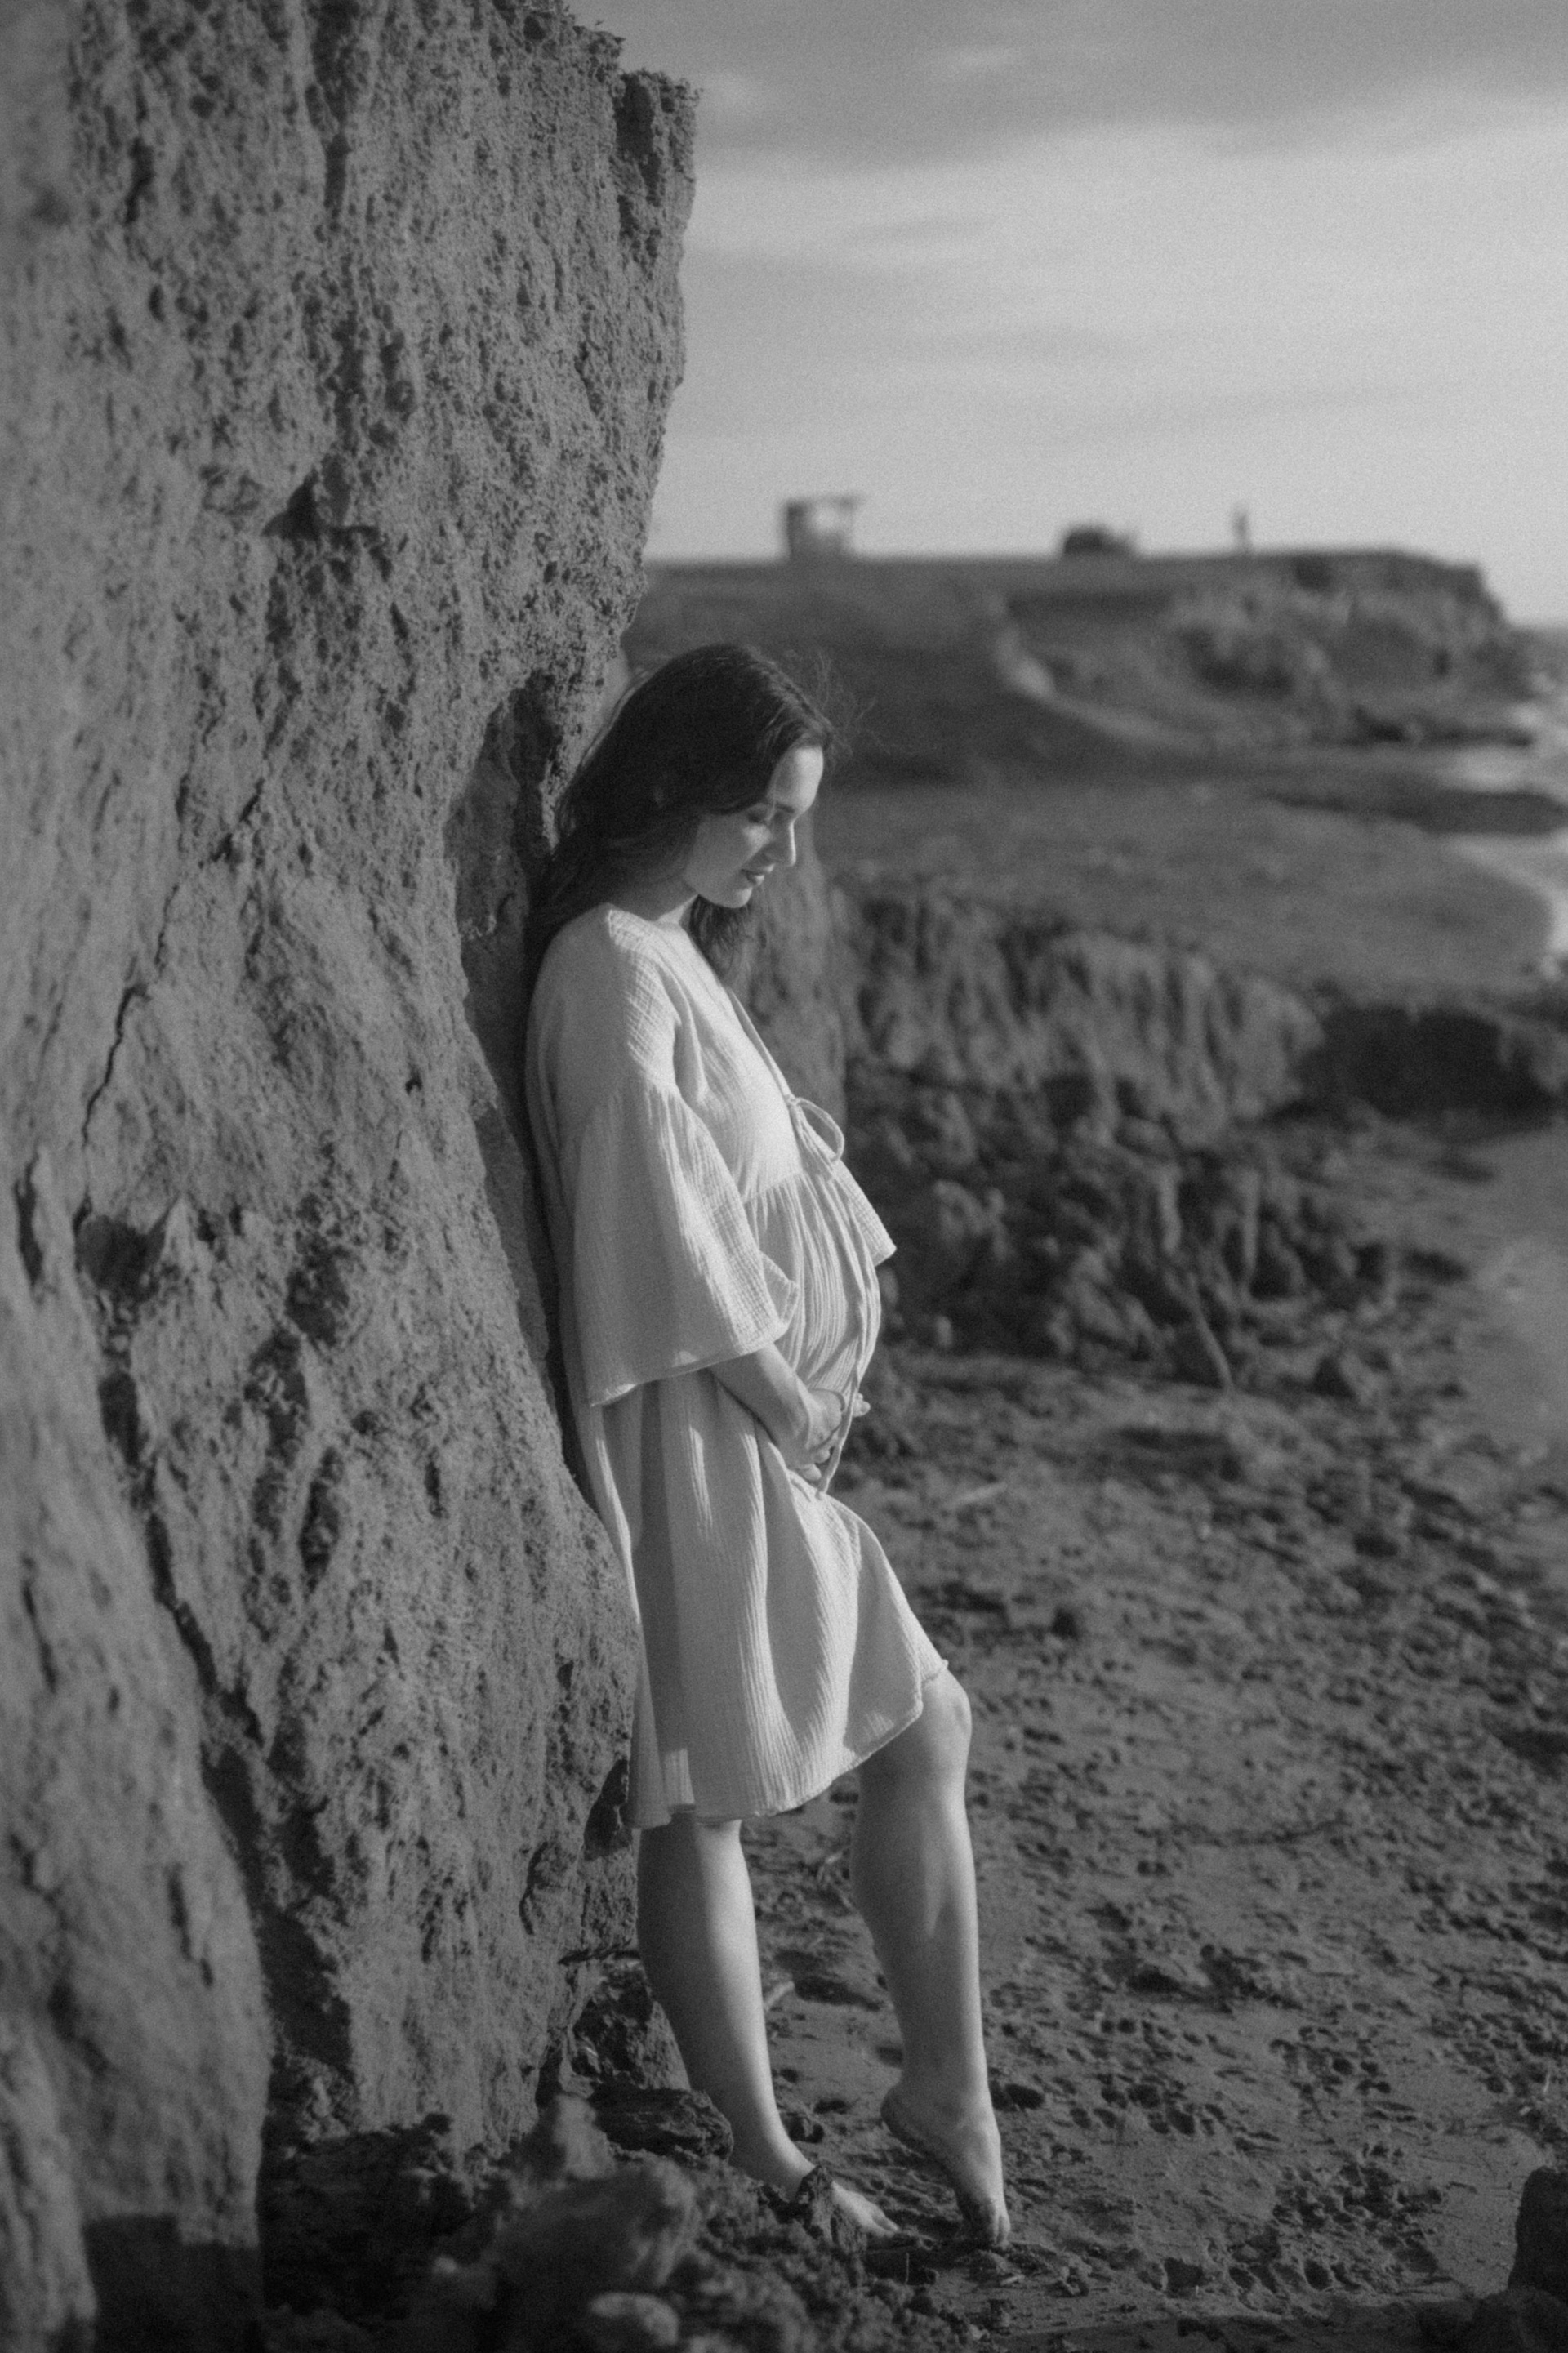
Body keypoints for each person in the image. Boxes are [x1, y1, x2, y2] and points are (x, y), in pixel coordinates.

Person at [523, 642, 1009, 2247]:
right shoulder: (608, 964)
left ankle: (939, 2091)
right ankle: (782, 2156)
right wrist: (785, 1395)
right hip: (701, 1427)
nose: (785, 854)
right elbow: (649, 1216)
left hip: (741, 1426)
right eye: (764, 816)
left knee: (904, 1732)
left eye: (799, 819)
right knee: (718, 1793)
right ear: (674, 785)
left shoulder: (666, 948)